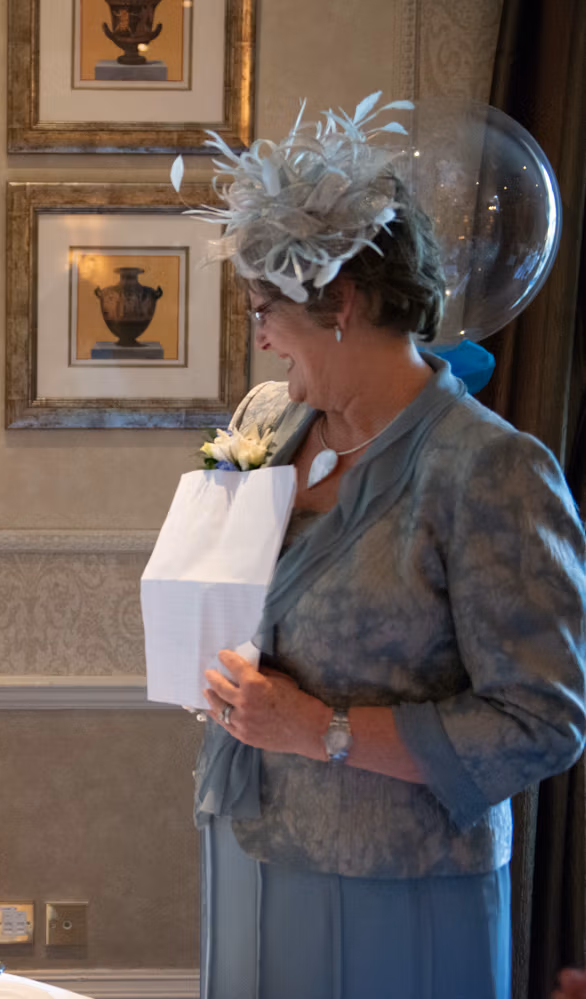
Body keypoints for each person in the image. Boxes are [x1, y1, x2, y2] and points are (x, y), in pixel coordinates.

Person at [182, 96, 586, 998]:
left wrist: (317, 729)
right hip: (246, 848)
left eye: (264, 308)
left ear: (342, 302)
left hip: (400, 894)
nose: (258, 336)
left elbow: (542, 722)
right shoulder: (268, 422)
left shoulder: (490, 470)